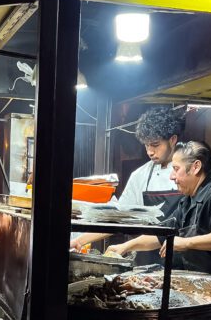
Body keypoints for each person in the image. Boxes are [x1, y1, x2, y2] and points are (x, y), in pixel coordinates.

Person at [109, 141, 211, 315]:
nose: (172, 176)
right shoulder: (187, 200)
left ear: (195, 167)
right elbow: (163, 235)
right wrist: (125, 247)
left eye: (176, 169)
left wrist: (186, 243)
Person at [70, 105, 185, 252]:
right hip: (146, 258)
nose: (150, 151)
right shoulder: (141, 175)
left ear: (172, 140)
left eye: (155, 145)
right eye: (146, 145)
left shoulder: (187, 174)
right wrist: (78, 240)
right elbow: (118, 217)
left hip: (182, 258)